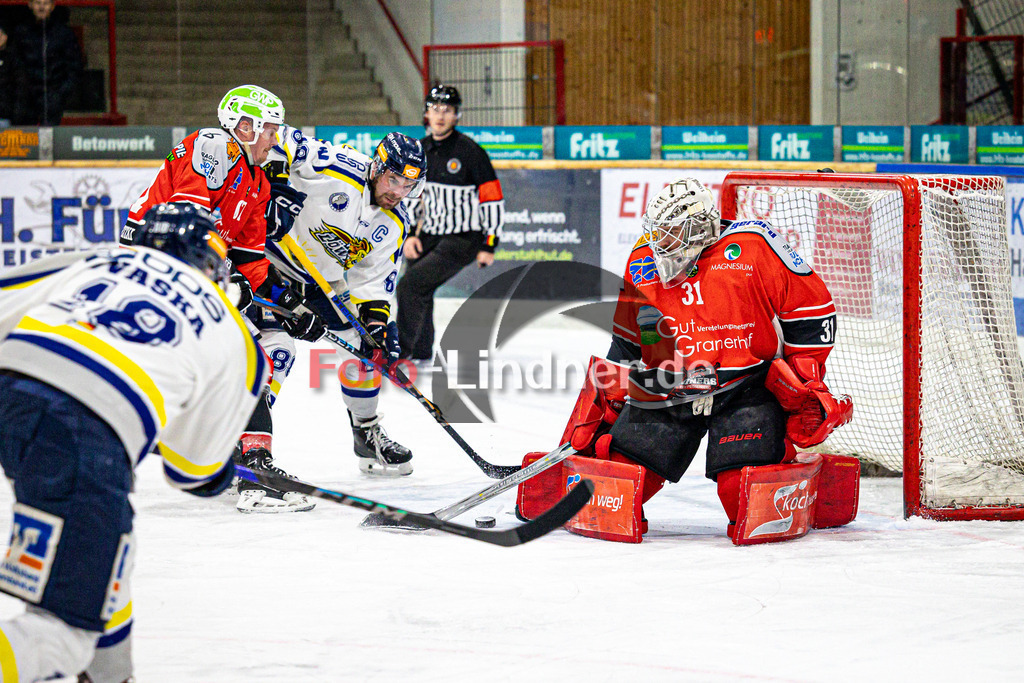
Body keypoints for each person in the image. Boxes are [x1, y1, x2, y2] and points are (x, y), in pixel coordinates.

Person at [0, 203, 269, 683]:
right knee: (61, 636)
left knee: (110, 554)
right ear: (212, 265)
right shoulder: (232, 330)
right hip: (83, 430)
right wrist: (221, 473)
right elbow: (192, 472)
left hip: (13, 392)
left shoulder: (98, 259)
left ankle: (112, 676)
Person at [522, 178, 853, 543]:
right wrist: (603, 408)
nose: (660, 244)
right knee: (615, 486)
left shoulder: (754, 246)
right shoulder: (642, 260)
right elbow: (631, 342)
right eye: (658, 233)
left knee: (744, 498)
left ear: (700, 228)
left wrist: (805, 380)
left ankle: (805, 476)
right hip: (669, 389)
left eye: (671, 233)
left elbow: (811, 314)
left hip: (746, 389)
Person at [120, 84, 325, 513]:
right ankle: (256, 475)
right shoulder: (213, 147)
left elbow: (250, 265)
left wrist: (293, 307)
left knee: (276, 346)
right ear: (244, 126)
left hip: (196, 277)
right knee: (239, 354)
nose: (275, 136)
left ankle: (239, 450)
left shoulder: (257, 182)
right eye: (269, 128)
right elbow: (185, 235)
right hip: (153, 272)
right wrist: (240, 293)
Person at [241, 128, 425, 488]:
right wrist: (276, 181)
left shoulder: (394, 223)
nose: (399, 192)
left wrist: (375, 325)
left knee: (366, 350)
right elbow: (281, 136)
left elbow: (372, 282)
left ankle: (366, 434)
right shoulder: (336, 166)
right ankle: (243, 439)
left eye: (408, 186)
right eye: (394, 180)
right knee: (278, 351)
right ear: (377, 167)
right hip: (267, 266)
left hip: (319, 282)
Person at [397, 83, 504, 362]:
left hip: (464, 238)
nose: (441, 115)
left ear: (457, 115)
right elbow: (409, 196)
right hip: (428, 234)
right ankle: (420, 351)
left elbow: (491, 199)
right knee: (421, 290)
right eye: (435, 109)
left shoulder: (471, 152)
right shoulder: (419, 150)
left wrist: (490, 244)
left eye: (447, 110)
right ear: (426, 114)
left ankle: (401, 351)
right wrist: (408, 235)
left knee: (409, 286)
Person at [10, 0, 82, 125]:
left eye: (46, 3)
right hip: (26, 98)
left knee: (47, 141)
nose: (42, 7)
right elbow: (14, 62)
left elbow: (74, 65)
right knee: (25, 140)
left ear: (52, 6)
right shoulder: (21, 32)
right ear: (30, 5)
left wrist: (60, 93)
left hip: (52, 96)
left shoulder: (64, 33)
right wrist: (20, 89)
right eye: (38, 3)